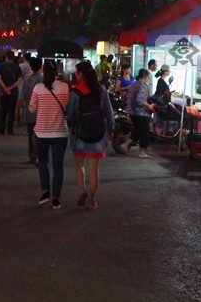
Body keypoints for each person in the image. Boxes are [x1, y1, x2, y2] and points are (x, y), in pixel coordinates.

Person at [66, 60, 115, 210]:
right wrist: (111, 131)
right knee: (94, 169)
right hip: (98, 134)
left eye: (77, 72)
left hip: (80, 133)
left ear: (80, 74)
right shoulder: (101, 90)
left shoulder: (75, 92)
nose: (76, 75)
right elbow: (109, 112)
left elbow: (70, 114)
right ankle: (92, 200)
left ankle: (82, 190)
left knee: (79, 164)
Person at [29, 59, 70, 208]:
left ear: (43, 71)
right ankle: (56, 198)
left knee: (43, 163)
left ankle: (45, 190)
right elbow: (66, 105)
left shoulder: (38, 88)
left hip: (41, 132)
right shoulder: (65, 87)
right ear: (57, 71)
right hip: (60, 132)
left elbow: (31, 109)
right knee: (58, 166)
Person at [16, 56, 43, 166]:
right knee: (40, 135)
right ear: (41, 66)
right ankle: (39, 157)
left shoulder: (26, 79)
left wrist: (17, 112)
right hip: (42, 112)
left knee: (31, 135)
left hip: (29, 111)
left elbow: (21, 98)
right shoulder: (44, 78)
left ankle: (32, 157)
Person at [125, 69, 156, 159]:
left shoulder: (134, 84)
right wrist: (149, 106)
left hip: (133, 112)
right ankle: (142, 152)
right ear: (146, 77)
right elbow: (140, 100)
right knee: (145, 133)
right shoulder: (142, 85)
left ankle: (125, 145)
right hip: (141, 113)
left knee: (138, 131)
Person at [0, 50, 23, 136]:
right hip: (14, 92)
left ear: (6, 57)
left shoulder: (2, 66)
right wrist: (11, 88)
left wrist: (5, 88)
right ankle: (10, 130)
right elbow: (19, 79)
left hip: (3, 92)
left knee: (3, 111)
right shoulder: (17, 67)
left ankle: (1, 129)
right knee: (11, 111)